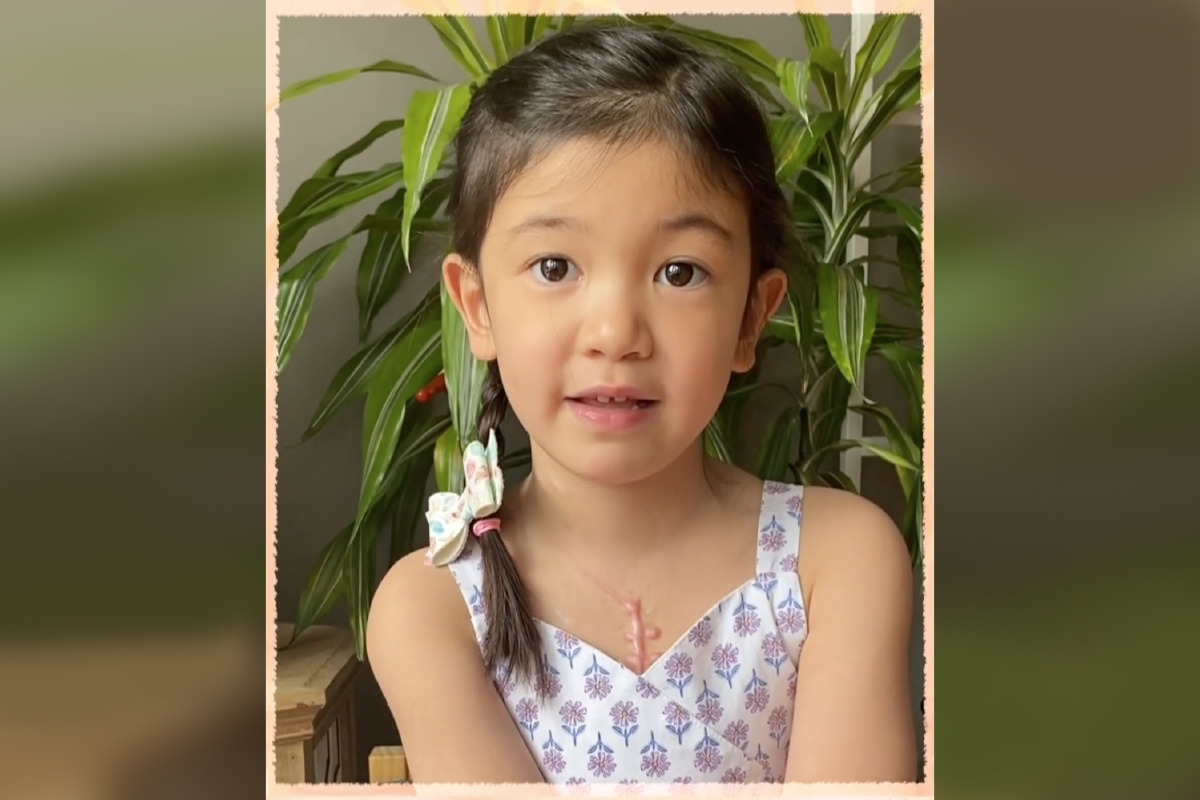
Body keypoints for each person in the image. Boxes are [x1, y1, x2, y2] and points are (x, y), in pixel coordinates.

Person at [367, 22, 916, 785]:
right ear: (477, 306)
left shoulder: (835, 559)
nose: (616, 333)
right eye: (554, 265)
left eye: (681, 272)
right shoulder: (432, 607)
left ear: (753, 317)